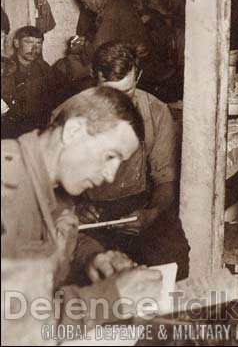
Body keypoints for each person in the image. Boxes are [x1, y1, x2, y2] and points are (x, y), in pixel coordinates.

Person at [1, 87, 162, 339]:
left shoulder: (50, 183)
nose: (110, 175)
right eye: (110, 156)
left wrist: (93, 257)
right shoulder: (7, 188)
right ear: (73, 130)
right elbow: (12, 327)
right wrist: (109, 297)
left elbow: (52, 238)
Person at [67, 42, 190, 280]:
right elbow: (53, 188)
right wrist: (75, 208)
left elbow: (165, 178)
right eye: (109, 93)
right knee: (90, 272)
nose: (118, 104)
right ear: (93, 77)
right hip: (90, 208)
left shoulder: (156, 111)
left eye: (127, 93)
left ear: (138, 76)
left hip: (140, 204)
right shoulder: (68, 114)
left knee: (172, 256)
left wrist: (151, 213)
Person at [1, 26, 61, 138]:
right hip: (11, 132)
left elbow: (53, 101)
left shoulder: (45, 69)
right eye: (29, 42)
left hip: (38, 131)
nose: (34, 48)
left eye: (39, 43)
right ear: (17, 43)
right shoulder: (6, 68)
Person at [76, 0, 149, 56]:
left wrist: (81, 47)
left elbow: (98, 47)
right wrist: (87, 40)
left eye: (85, 2)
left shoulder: (109, 11)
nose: (85, 7)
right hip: (132, 50)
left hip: (136, 55)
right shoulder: (111, 4)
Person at [53, 35, 94, 101]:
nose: (81, 44)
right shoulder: (62, 64)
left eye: (82, 42)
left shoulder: (91, 63)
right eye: (77, 42)